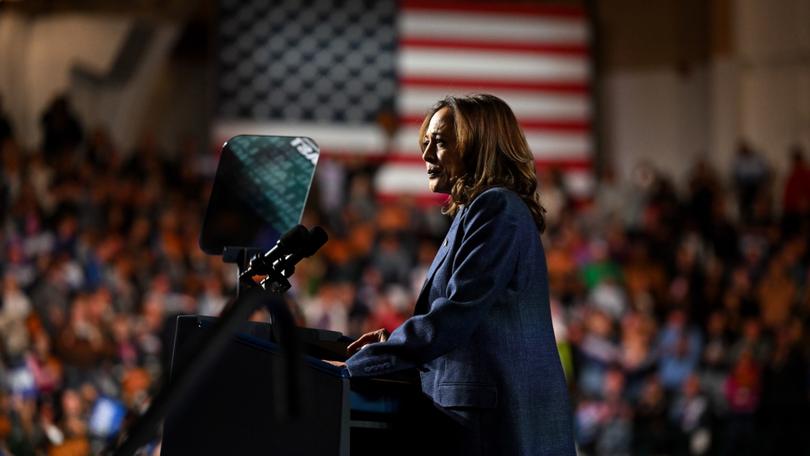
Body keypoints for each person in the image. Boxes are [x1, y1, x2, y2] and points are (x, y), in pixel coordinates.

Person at [343, 94, 576, 455]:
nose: (426, 156)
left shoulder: (496, 207)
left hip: (495, 423)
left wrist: (361, 364)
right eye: (425, 143)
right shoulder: (478, 210)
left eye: (440, 142)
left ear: (478, 145)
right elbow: (475, 329)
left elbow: (458, 311)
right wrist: (391, 345)